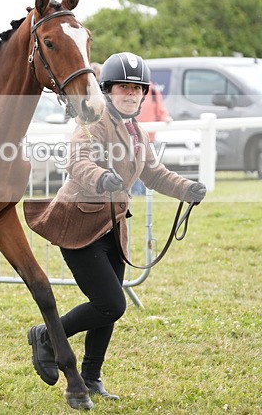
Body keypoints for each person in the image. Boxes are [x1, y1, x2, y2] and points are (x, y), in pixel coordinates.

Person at [24, 52, 207, 400]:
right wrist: (101, 177)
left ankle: (91, 378)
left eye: (138, 89)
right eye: (124, 87)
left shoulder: (135, 130)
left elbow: (153, 173)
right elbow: (77, 161)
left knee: (106, 309)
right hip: (79, 226)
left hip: (112, 228)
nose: (132, 94)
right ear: (107, 90)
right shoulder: (91, 121)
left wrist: (187, 188)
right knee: (111, 303)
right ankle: (47, 336)